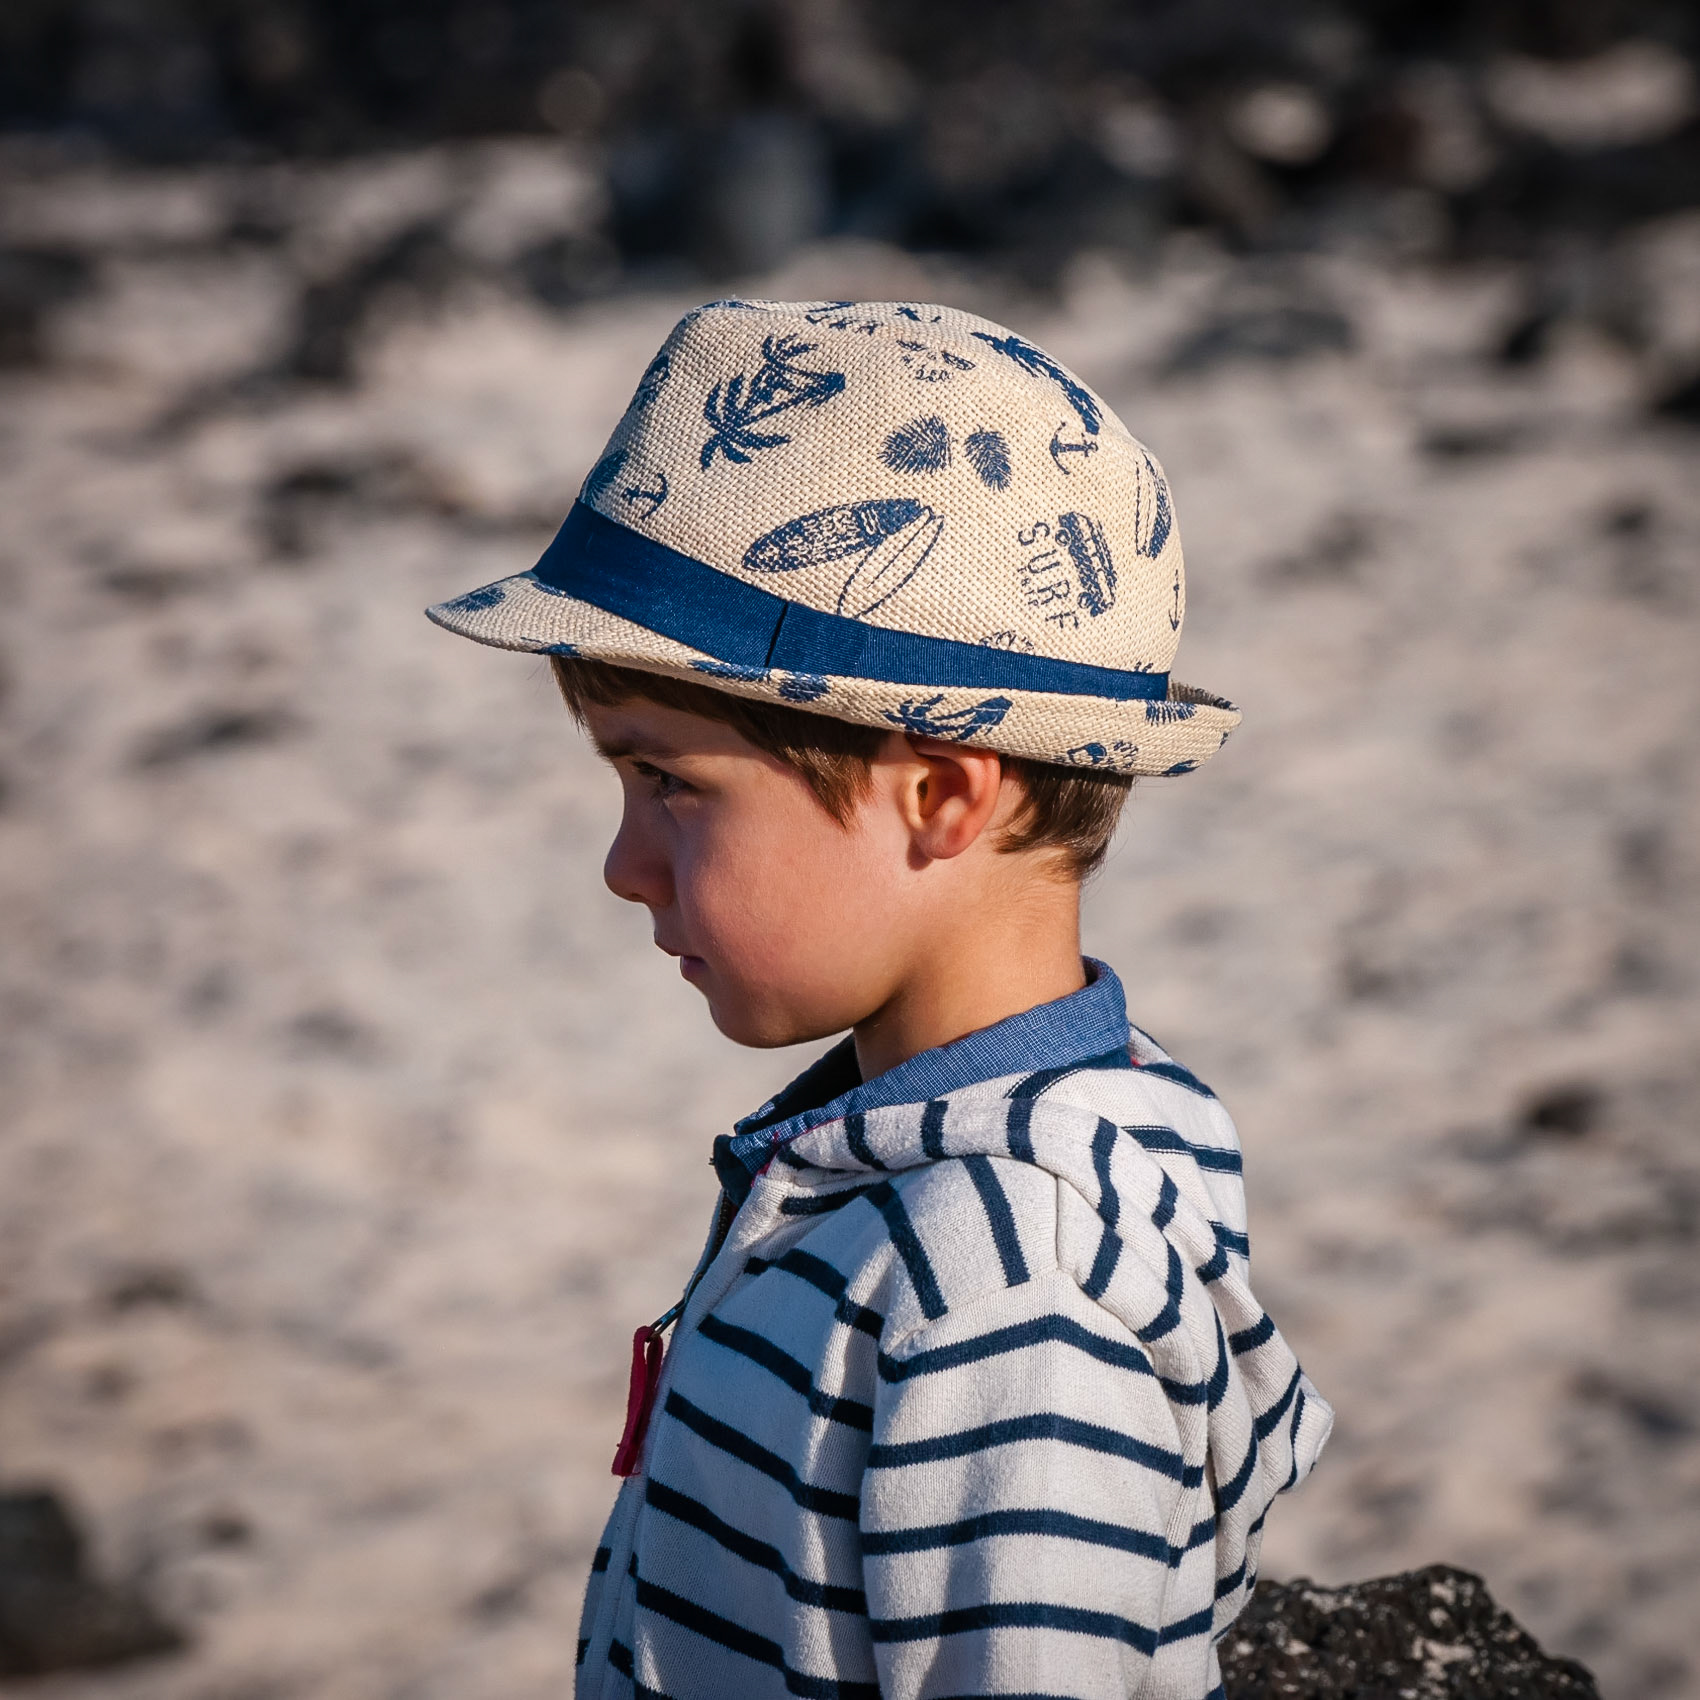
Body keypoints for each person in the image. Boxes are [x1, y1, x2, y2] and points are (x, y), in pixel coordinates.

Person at [426, 298, 1332, 1699]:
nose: (622, 868)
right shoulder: (901, 1169)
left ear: (940, 794)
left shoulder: (1003, 1300)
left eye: (667, 781)